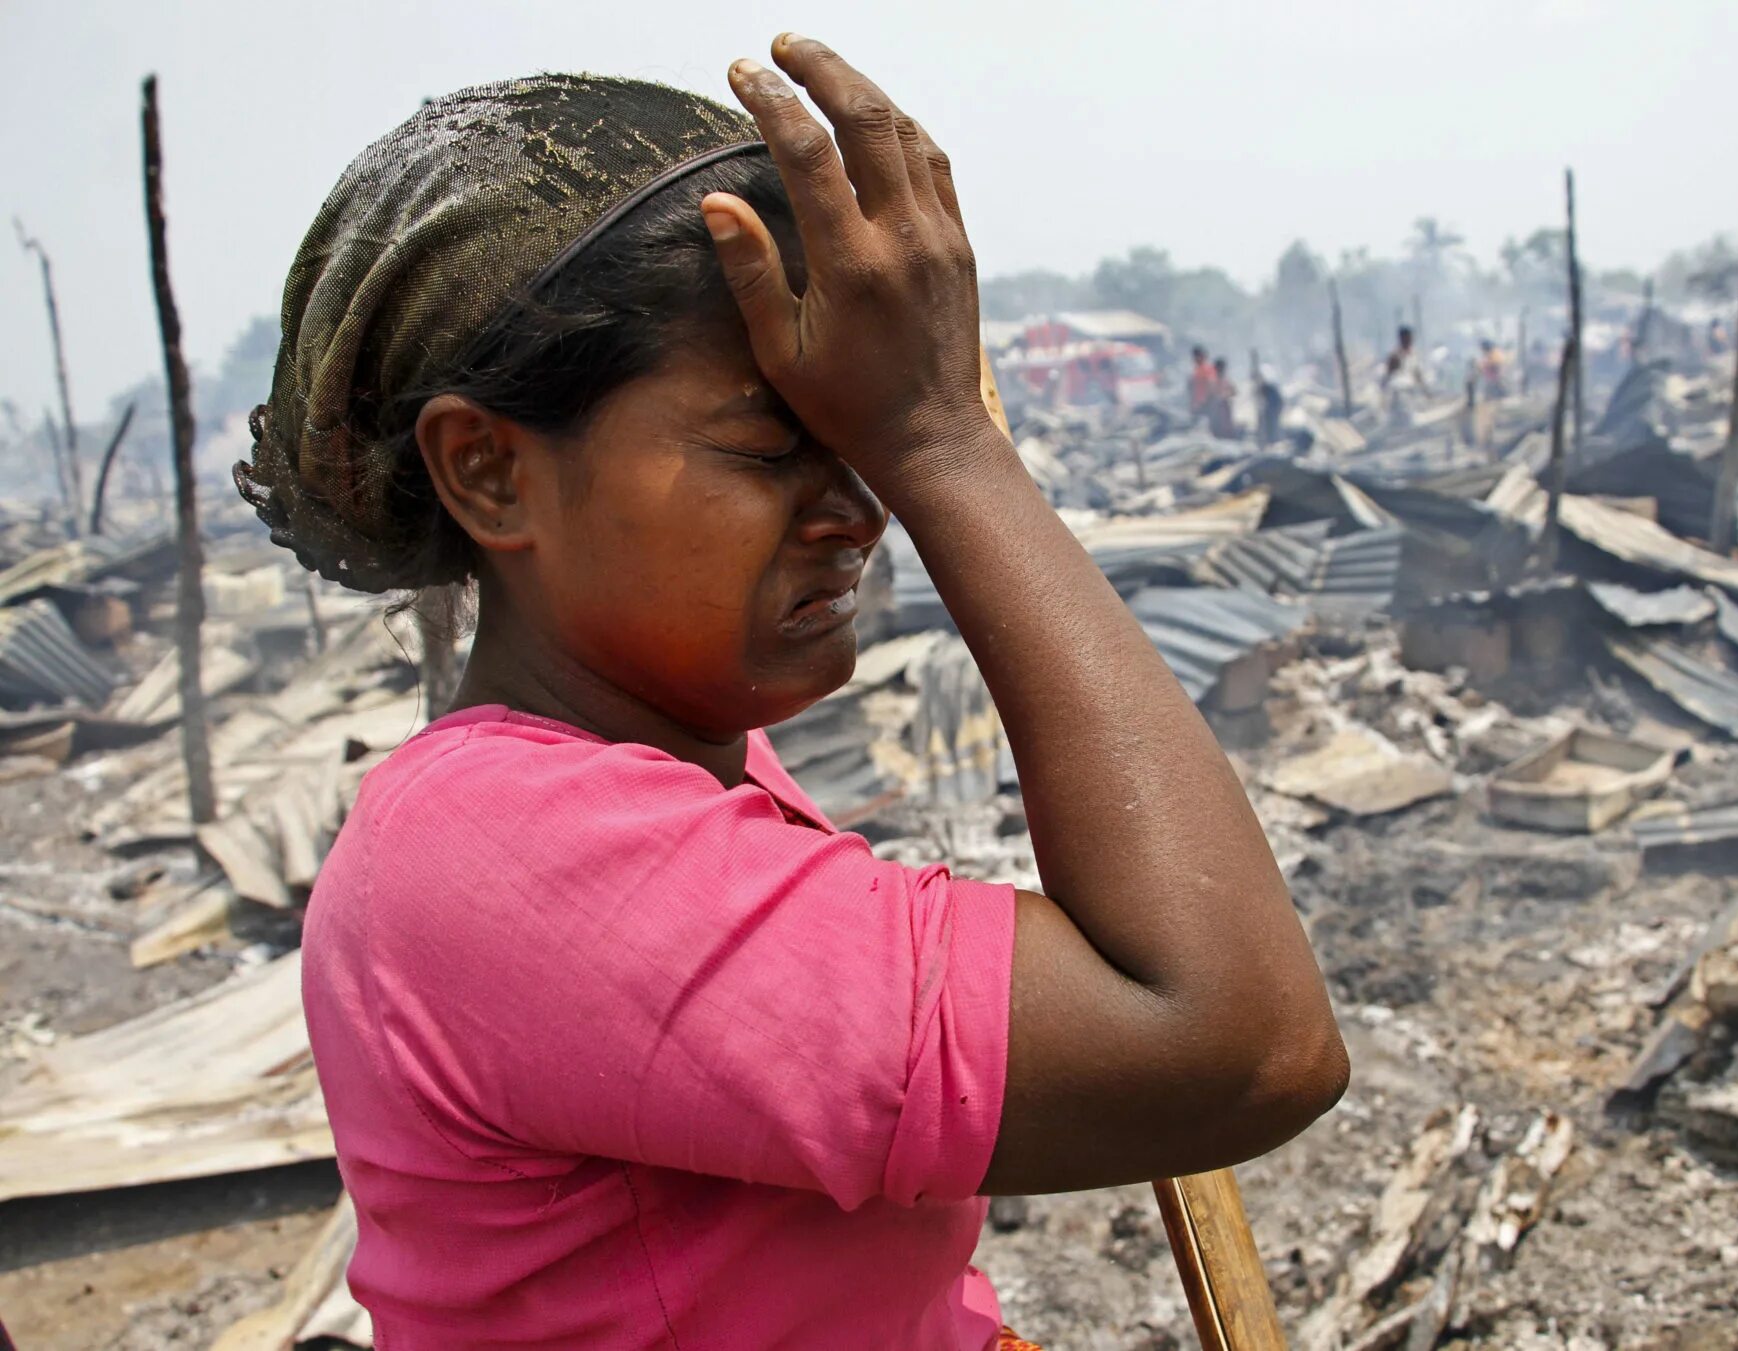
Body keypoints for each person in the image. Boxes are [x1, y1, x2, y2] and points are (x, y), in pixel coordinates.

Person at [237, 36, 1345, 1351]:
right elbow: (1244, 1041)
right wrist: (945, 440)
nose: (861, 509)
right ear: (487, 469)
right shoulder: (504, 854)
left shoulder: (678, 759)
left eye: (866, 442)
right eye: (775, 445)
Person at [1380, 325, 1429, 427]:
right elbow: (1388, 379)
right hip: (1398, 398)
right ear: (1401, 339)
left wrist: (1426, 392)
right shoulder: (1395, 357)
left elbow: (1418, 375)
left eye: (1410, 338)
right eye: (1407, 338)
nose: (1409, 341)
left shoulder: (1413, 355)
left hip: (1411, 396)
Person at [1208, 356, 1239, 438]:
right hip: (1217, 408)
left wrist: (1228, 395)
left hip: (1225, 406)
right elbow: (1212, 394)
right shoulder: (1213, 380)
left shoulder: (1226, 380)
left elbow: (1234, 391)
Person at [1187, 343, 1217, 421]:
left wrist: (1207, 402)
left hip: (1205, 405)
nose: (1195, 358)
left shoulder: (1207, 369)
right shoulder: (1197, 369)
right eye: (1195, 356)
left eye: (1198, 355)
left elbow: (1211, 385)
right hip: (1198, 404)